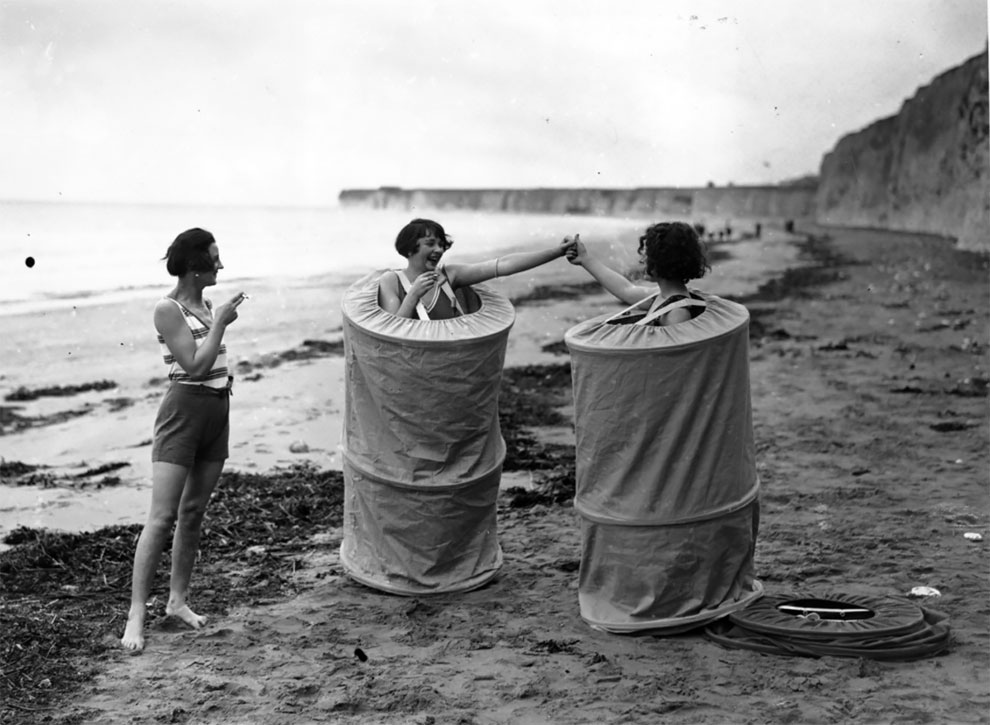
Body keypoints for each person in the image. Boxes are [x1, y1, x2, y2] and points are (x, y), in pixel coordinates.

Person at [120, 228, 247, 652]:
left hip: (216, 410)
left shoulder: (207, 305)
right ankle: (136, 614)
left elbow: (213, 365)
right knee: (161, 517)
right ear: (195, 266)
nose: (221, 265)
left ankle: (177, 602)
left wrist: (217, 319)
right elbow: (193, 365)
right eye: (214, 257)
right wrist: (222, 325)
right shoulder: (167, 309)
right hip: (183, 411)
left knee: (193, 512)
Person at [378, 218, 574, 319]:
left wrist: (558, 252)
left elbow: (504, 265)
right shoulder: (392, 281)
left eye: (441, 244)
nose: (438, 250)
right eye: (430, 243)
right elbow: (390, 332)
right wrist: (413, 295)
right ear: (410, 247)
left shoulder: (449, 275)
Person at [565, 221, 711, 326]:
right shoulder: (662, 295)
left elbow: (675, 360)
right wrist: (585, 259)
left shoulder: (677, 313)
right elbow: (625, 289)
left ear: (664, 261)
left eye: (647, 256)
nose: (642, 260)